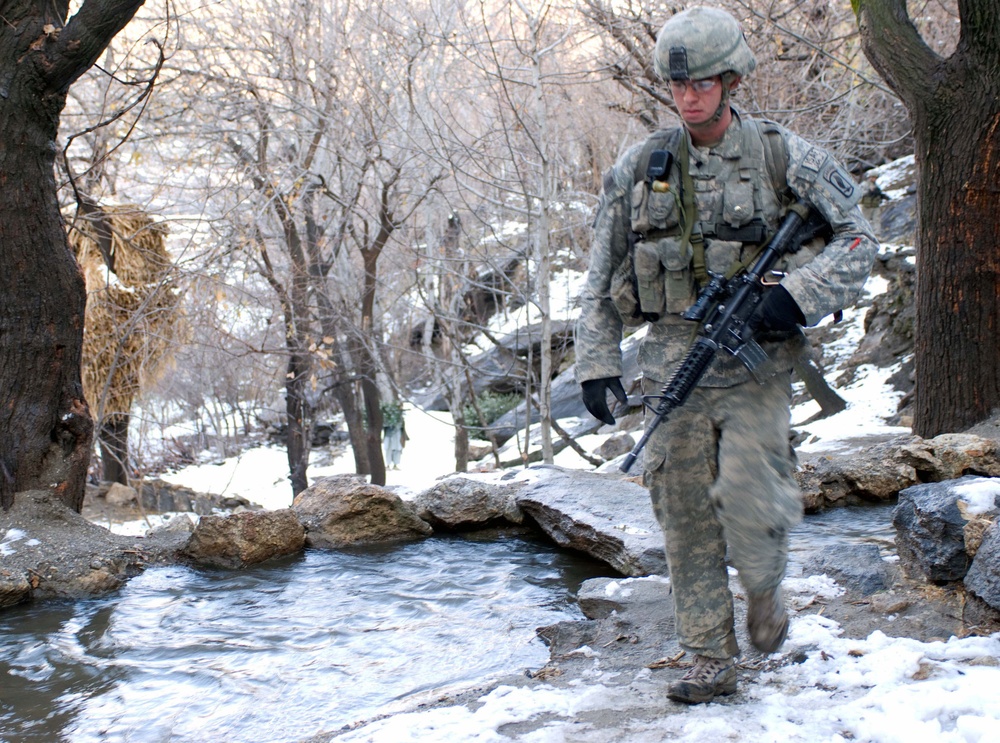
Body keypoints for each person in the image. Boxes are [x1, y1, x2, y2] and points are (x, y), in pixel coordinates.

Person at [575, 7, 877, 705]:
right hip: (675, 353)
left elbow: (859, 239)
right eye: (679, 85)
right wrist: (597, 362)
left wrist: (795, 293)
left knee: (749, 496)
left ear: (731, 79)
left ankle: (766, 589)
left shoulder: (781, 155)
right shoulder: (641, 168)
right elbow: (598, 278)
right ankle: (707, 653)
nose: (690, 97)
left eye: (704, 83)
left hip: (760, 358)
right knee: (680, 507)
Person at [381, 401, 406, 470]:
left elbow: (402, 426)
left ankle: (395, 464)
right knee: (388, 449)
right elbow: (385, 424)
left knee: (397, 449)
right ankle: (388, 465)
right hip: (389, 434)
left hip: (398, 435)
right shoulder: (388, 415)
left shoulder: (400, 416)